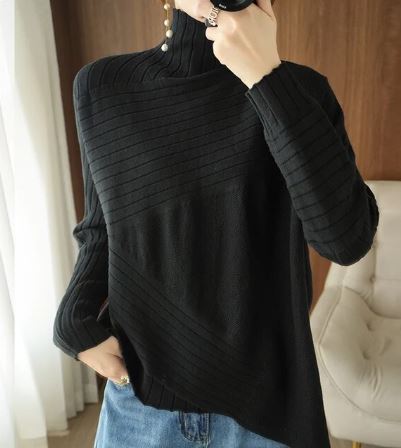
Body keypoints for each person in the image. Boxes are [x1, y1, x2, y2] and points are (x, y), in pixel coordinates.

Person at [52, 0, 379, 447]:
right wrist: (74, 314)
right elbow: (102, 227)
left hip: (267, 416)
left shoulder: (301, 92)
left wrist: (265, 75)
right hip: (142, 407)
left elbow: (346, 240)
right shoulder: (103, 86)